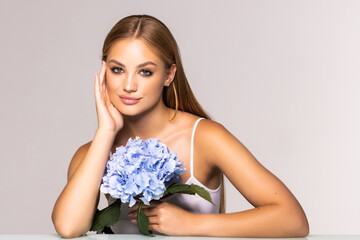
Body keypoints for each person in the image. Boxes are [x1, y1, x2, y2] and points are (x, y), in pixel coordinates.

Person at [51, 14, 309, 238]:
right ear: (104, 71)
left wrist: (191, 224)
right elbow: (68, 226)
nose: (129, 85)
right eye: (118, 70)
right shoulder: (92, 152)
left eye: (145, 72)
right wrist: (106, 132)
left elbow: (293, 220)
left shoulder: (205, 137)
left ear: (169, 75)